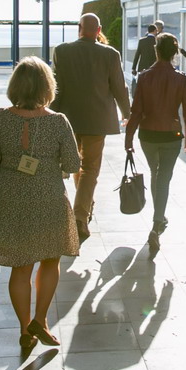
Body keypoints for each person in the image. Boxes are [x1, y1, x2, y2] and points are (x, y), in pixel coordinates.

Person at [0, 57, 81, 351]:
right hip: (48, 197)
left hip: (10, 197)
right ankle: (41, 320)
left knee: (20, 268)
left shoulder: (1, 119)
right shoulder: (58, 122)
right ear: (48, 86)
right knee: (50, 259)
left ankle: (25, 329)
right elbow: (72, 163)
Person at [52, 13, 130, 241]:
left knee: (76, 164)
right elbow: (119, 87)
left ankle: (82, 208)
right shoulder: (110, 54)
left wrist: (48, 116)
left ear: (79, 28)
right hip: (97, 120)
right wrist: (127, 113)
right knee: (90, 168)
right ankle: (80, 214)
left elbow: (55, 87)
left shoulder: (62, 51)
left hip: (68, 119)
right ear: (99, 30)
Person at [125, 33, 186, 258]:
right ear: (175, 53)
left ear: (156, 51)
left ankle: (159, 217)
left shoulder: (144, 77)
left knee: (156, 173)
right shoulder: (181, 79)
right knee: (163, 177)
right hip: (172, 135)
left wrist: (128, 139)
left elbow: (136, 112)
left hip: (148, 135)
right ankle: (157, 222)